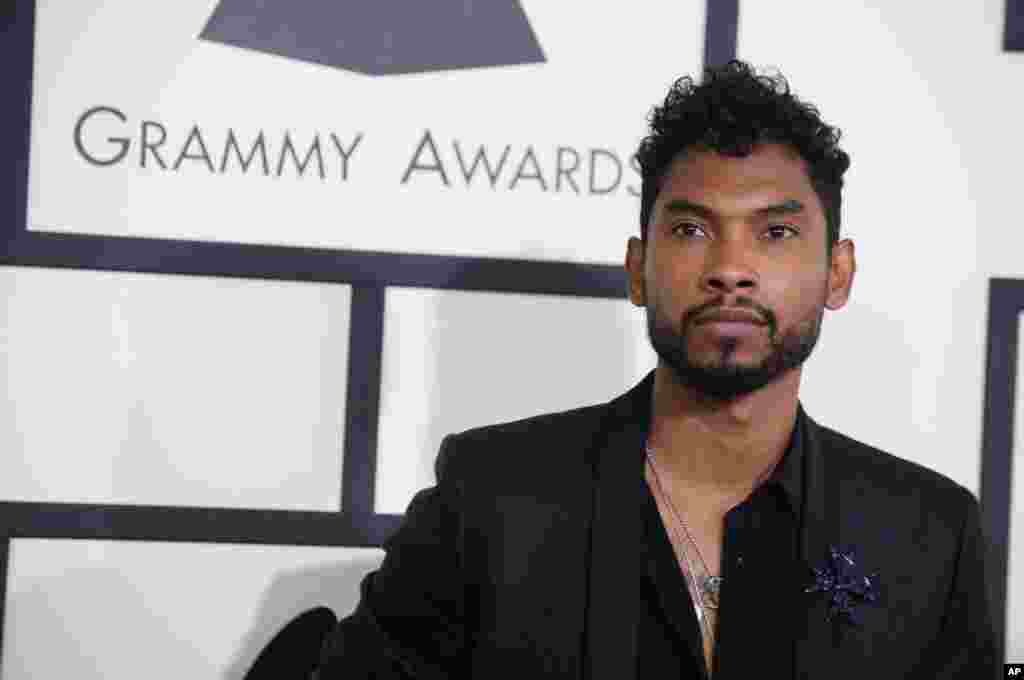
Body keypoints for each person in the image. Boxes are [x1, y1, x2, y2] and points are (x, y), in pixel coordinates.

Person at [313, 60, 999, 679]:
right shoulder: (491, 500)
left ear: (838, 274)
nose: (730, 268)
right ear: (639, 269)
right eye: (691, 230)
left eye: (776, 232)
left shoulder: (926, 534)